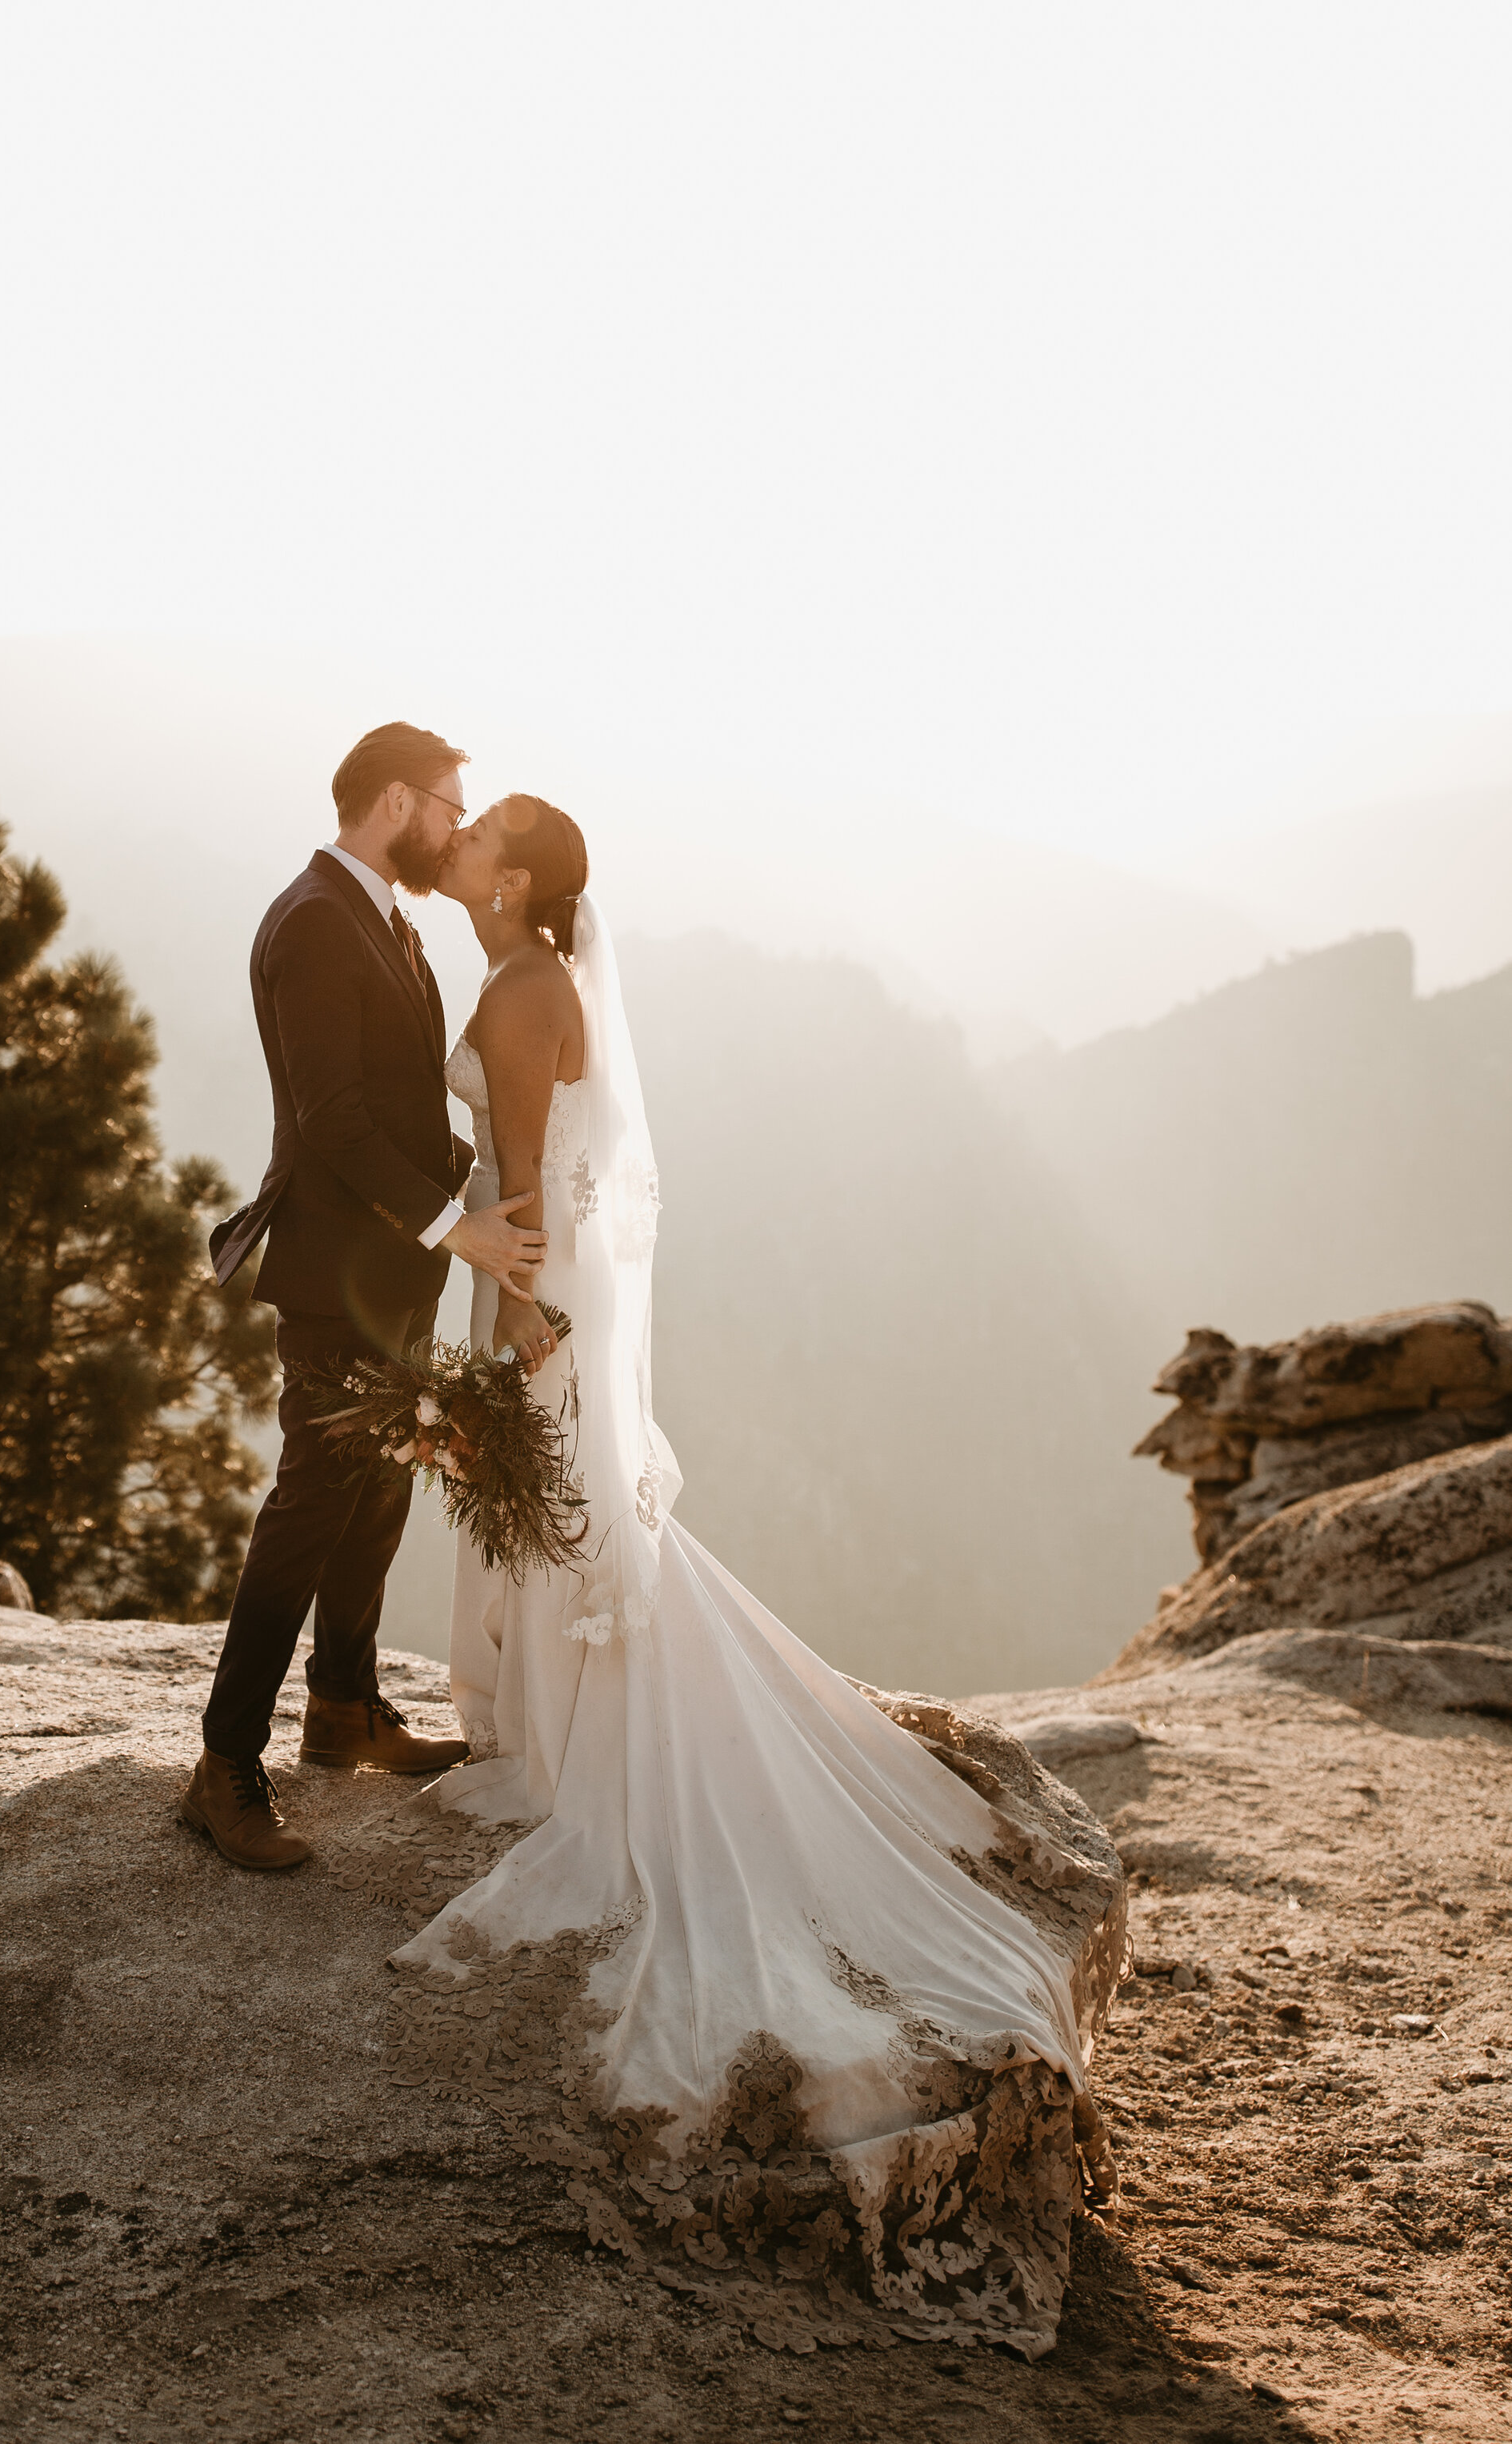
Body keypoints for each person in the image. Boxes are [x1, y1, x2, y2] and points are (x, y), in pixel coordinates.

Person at [399, 791, 1115, 2352]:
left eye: (477, 837)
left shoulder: (521, 990)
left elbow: (512, 1179)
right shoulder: (539, 978)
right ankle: (554, 1716)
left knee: (558, 1521)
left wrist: (501, 1309)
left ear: (511, 880)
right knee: (572, 1524)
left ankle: (566, 1739)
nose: (454, 848)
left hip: (530, 1290)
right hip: (543, 1278)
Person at [182, 723, 548, 1871]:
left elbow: (387, 1102)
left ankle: (344, 1708)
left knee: (380, 1489)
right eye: (449, 804)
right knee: (307, 1504)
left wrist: (463, 1178)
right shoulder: (311, 924)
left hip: (393, 1265)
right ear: (397, 801)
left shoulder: (383, 917)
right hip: (338, 1272)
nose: (456, 826)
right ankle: (224, 1763)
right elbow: (332, 1118)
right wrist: (460, 1225)